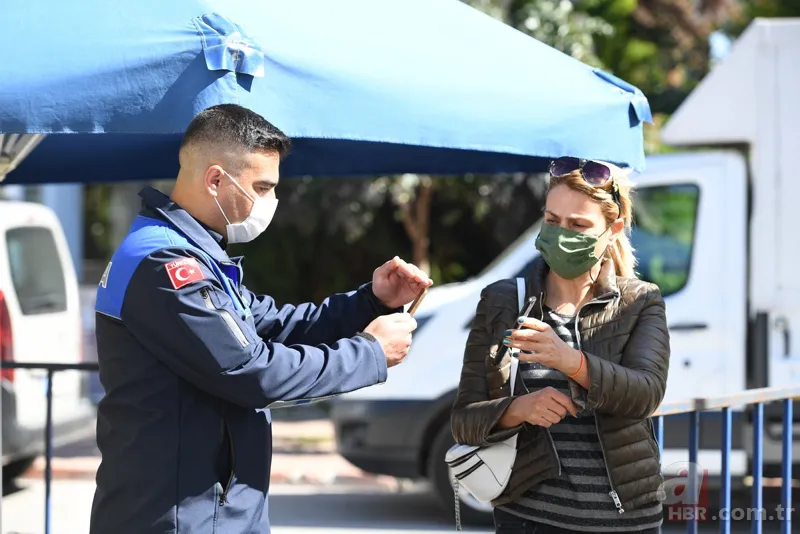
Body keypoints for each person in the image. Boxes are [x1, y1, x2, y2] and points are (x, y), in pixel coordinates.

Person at [90, 103, 431, 534]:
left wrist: (371, 301)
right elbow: (251, 372)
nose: (271, 201)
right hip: (180, 517)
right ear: (216, 179)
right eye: (263, 187)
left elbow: (277, 325)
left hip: (212, 510)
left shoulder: (195, 254)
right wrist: (369, 353)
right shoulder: (166, 265)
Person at [451, 157, 670, 534]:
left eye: (578, 225)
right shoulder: (502, 301)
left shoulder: (639, 302)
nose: (561, 233)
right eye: (552, 221)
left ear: (612, 230)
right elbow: (463, 420)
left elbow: (646, 395)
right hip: (531, 518)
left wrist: (570, 362)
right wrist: (518, 408)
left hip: (626, 519)